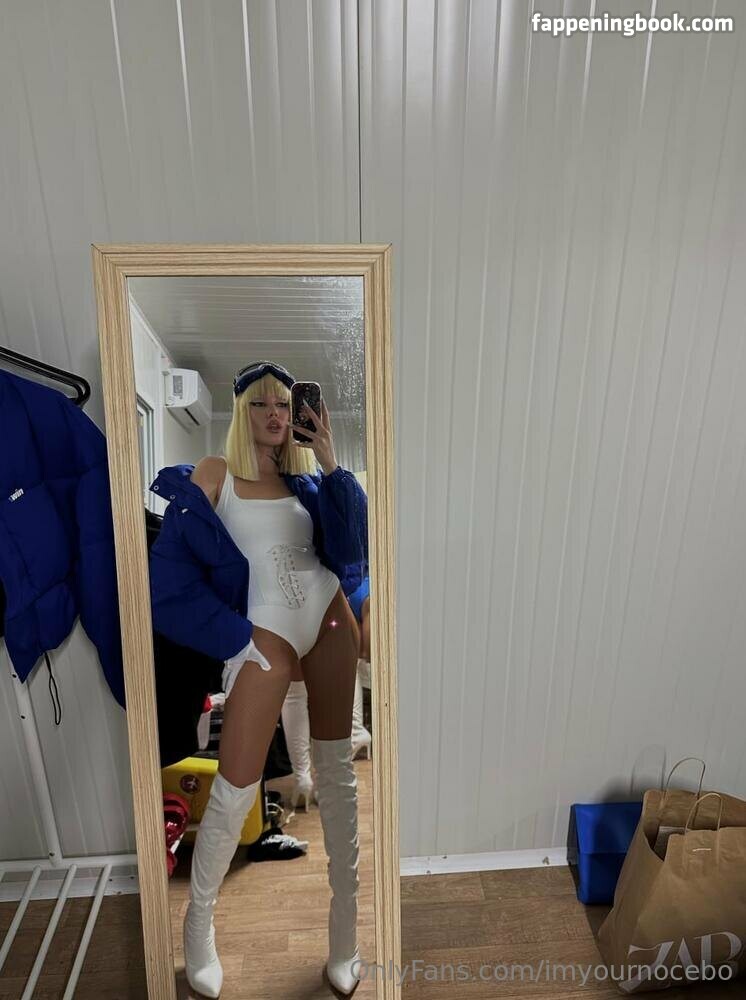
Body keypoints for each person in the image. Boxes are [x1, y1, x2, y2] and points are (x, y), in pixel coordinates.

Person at [148, 360, 367, 998]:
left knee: (337, 778)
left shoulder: (307, 481)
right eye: (260, 404)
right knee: (236, 784)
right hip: (262, 631)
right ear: (241, 412)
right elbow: (168, 579)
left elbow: (349, 552)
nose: (275, 415)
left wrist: (330, 459)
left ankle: (346, 935)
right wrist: (233, 638)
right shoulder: (214, 474)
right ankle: (198, 925)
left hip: (329, 617)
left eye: (284, 405)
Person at [282, 573, 372, 812]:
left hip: (286, 594)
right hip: (332, 595)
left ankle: (302, 778)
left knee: (294, 693)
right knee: (337, 680)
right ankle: (329, 779)